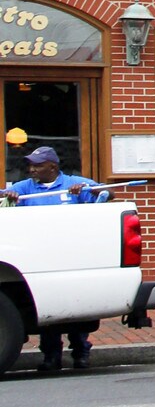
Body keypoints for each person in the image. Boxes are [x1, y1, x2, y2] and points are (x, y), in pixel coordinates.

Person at [2, 146, 104, 372]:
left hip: (71, 257)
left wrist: (89, 191)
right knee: (47, 307)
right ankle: (51, 356)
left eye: (38, 165)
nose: (32, 170)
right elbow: (2, 196)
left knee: (76, 307)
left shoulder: (73, 183)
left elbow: (107, 195)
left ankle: (81, 353)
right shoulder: (25, 187)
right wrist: (9, 197)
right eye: (31, 165)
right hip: (40, 258)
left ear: (53, 167)